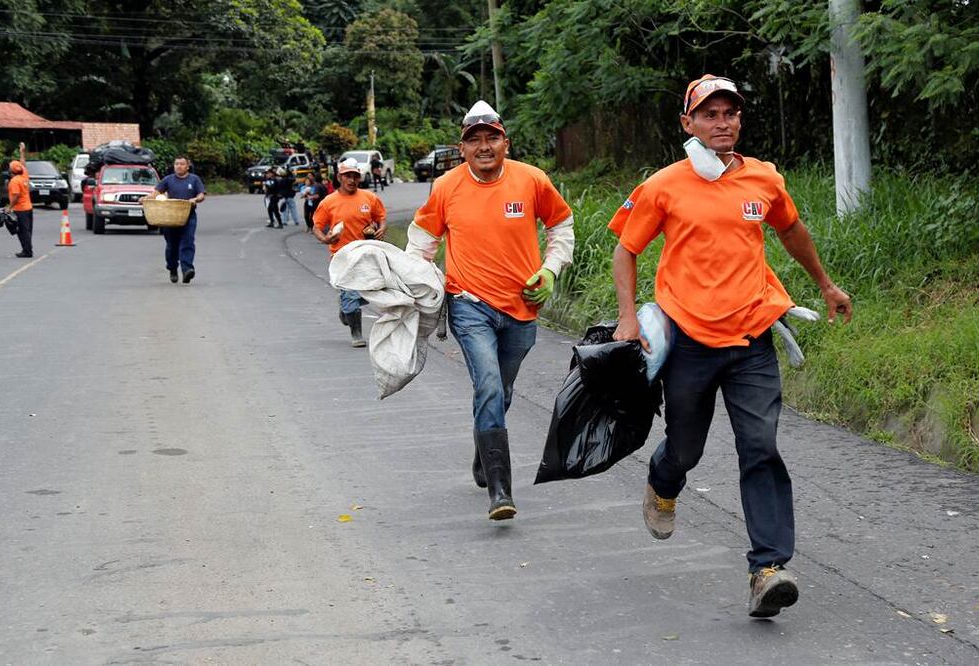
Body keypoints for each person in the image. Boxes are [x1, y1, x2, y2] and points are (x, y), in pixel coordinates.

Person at [608, 75, 853, 618]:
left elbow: (791, 230)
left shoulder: (763, 178)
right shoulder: (664, 185)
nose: (722, 123)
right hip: (690, 343)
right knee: (686, 449)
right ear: (688, 123)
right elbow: (626, 249)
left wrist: (826, 285)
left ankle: (768, 568)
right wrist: (627, 318)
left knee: (760, 446)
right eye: (710, 114)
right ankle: (663, 481)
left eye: (730, 113)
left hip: (752, 339)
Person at [405, 100, 575, 521]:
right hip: (468, 304)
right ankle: (501, 490)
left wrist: (550, 270)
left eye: (491, 138)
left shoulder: (532, 180)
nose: (484, 146)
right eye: (474, 140)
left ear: (505, 143)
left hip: (521, 307)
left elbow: (561, 225)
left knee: (503, 389)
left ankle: (484, 451)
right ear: (462, 148)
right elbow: (421, 242)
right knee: (490, 385)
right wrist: (413, 289)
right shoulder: (446, 186)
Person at [313, 157, 387, 347]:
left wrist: (381, 228)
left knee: (369, 290)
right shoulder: (329, 202)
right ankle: (357, 334)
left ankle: (346, 307)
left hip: (366, 255)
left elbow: (380, 217)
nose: (351, 180)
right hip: (342, 257)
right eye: (347, 176)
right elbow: (317, 226)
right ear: (339, 177)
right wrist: (325, 239)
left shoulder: (369, 198)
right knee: (351, 294)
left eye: (355, 176)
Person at [145, 155, 205, 284]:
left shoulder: (194, 179)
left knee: (188, 242)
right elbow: (156, 193)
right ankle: (172, 268)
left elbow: (201, 194)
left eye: (182, 164)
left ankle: (187, 269)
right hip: (170, 217)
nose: (179, 166)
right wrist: (145, 199)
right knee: (172, 245)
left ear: (187, 166)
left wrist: (195, 199)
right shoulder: (168, 180)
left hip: (188, 216)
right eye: (177, 164)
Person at [5, 142, 34, 257]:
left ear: (11, 171)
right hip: (28, 208)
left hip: (20, 209)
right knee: (27, 230)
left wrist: (9, 208)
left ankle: (27, 251)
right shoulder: (24, 176)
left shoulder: (14, 181)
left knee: (22, 231)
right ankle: (28, 249)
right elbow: (23, 164)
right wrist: (22, 151)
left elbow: (16, 196)